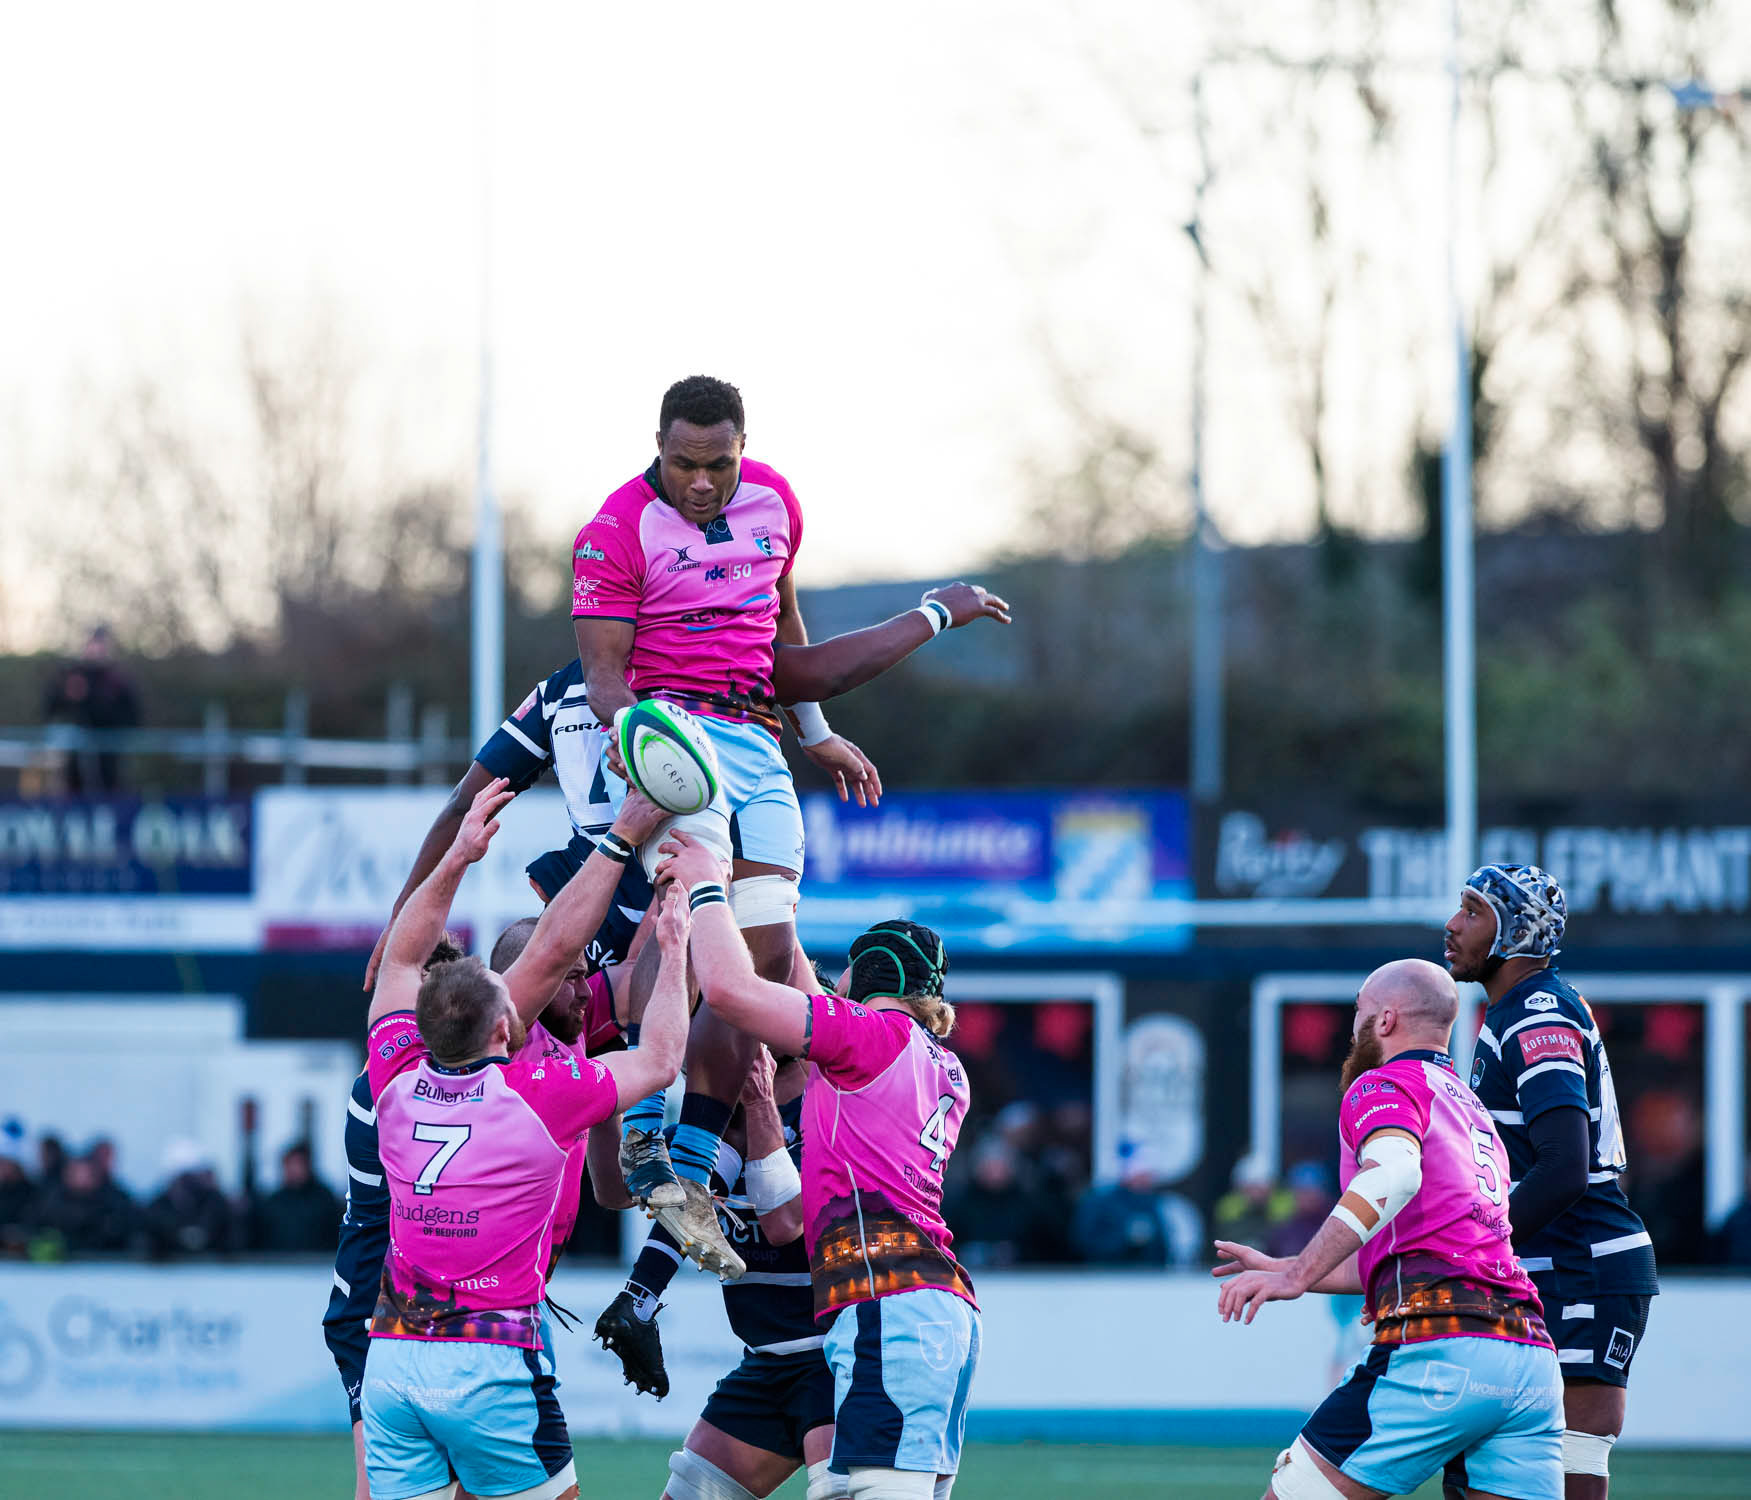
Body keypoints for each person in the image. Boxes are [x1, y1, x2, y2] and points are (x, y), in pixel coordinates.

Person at [326, 787, 671, 1500]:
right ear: (503, 1026)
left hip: (392, 1351)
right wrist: (679, 936)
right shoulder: (539, 1095)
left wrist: (454, 856)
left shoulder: (391, 1073)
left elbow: (399, 959)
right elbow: (661, 1059)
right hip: (489, 1358)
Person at [658, 828, 980, 1500]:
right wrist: (773, 905)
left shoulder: (870, 1036)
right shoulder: (942, 1066)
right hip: (929, 1307)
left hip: (887, 1306)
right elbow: (802, 988)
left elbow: (727, 989)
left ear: (862, 981)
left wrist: (707, 882)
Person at [1214, 958, 1563, 1500]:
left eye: (1358, 1013)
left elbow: (1396, 1173)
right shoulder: (1472, 1111)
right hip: (1530, 1359)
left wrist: (1298, 1274)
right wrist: (1292, 1269)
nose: (1352, 1028)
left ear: (1384, 1021)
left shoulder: (1384, 1085)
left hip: (1442, 1347)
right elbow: (1418, 1246)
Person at [1444, 865, 1658, 1499]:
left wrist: (1471, 1250)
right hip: (1551, 1260)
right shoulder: (1513, 1011)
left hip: (1579, 1260)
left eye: (1473, 911)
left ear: (1515, 930)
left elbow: (1564, 1168)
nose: (1452, 925)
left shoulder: (1538, 1014)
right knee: (1493, 1461)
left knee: (1568, 1462)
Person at [42, 624, 141, 793]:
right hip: (75, 760)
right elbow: (51, 708)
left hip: (108, 755)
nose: (96, 649)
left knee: (109, 791)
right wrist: (69, 694)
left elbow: (132, 716)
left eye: (100, 644)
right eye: (93, 643)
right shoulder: (73, 675)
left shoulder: (118, 680)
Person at [252, 1142, 344, 1252]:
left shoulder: (324, 1199)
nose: (292, 1169)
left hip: (318, 1264)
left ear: (307, 1165)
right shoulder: (273, 1202)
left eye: (296, 1164)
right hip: (279, 1264)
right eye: (288, 1164)